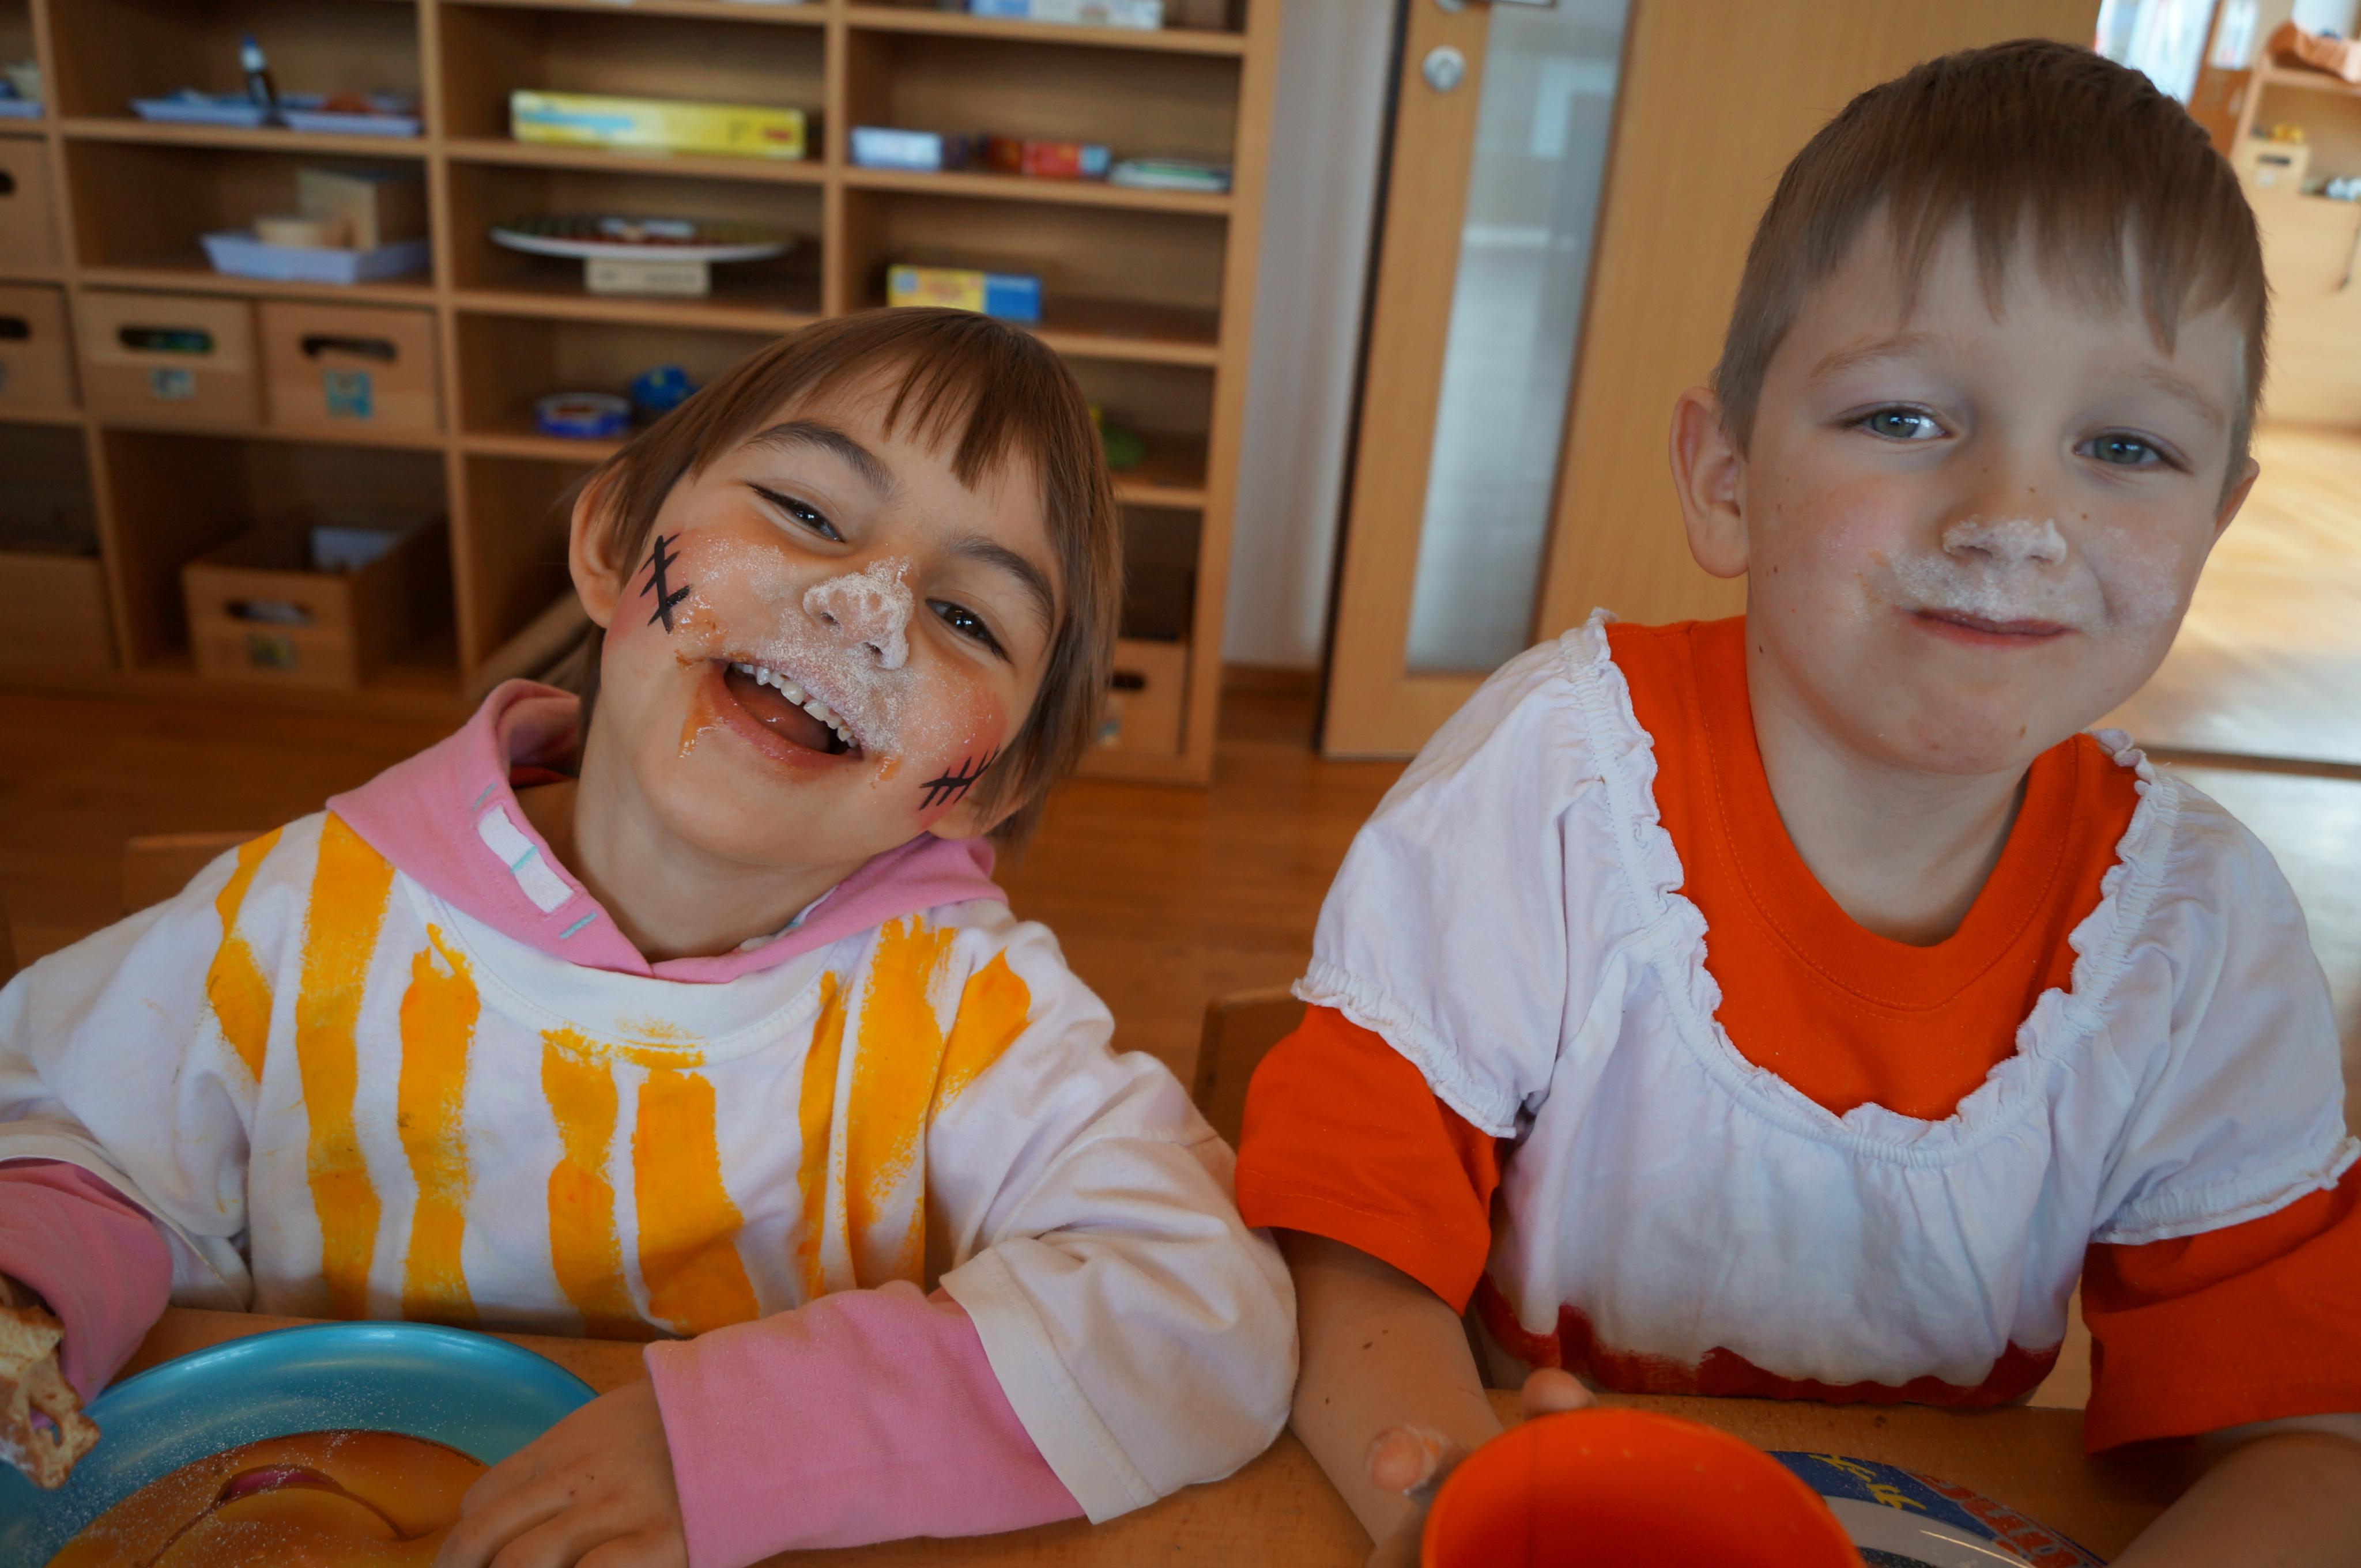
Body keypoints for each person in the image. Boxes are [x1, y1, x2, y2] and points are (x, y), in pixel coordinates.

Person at [1236, 40, 2361, 1567]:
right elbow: (1343, 1232)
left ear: (2216, 518)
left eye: (2124, 446)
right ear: (1726, 478)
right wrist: (1462, 1510)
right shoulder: (1555, 783)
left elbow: (2307, 1437)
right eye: (1904, 418)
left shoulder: (2194, 936)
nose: (2014, 518)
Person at [0, 308, 1293, 1566]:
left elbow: (1202, 1316)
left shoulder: (972, 1019)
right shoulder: (296, 920)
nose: (865, 607)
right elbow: (73, 1139)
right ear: (617, 540)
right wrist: (30, 1286)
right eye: (806, 512)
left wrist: (744, 1443)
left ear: (991, 785)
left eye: (968, 617)